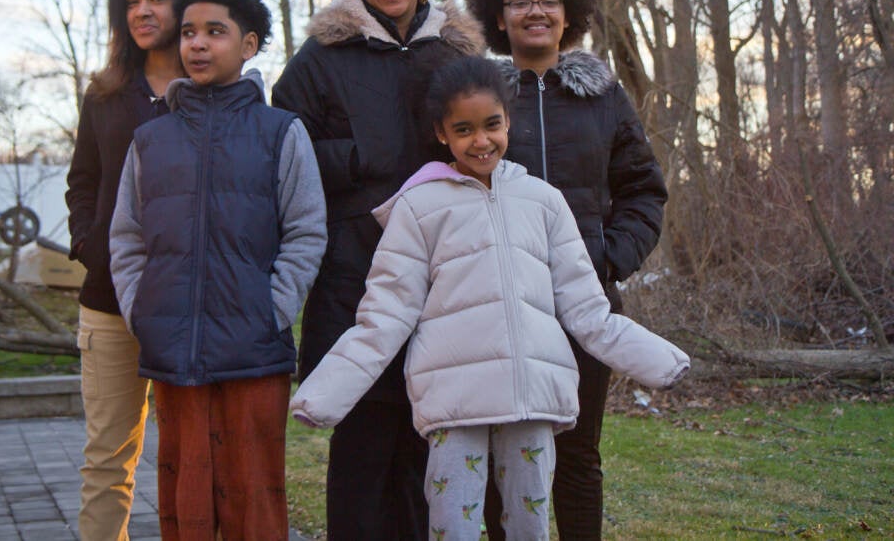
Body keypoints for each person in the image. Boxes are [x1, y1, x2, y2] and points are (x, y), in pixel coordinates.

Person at [289, 56, 689, 541]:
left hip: (532, 403)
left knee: (529, 526)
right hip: (455, 407)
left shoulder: (544, 202)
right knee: (452, 526)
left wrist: (659, 361)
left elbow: (587, 309)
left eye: (491, 125)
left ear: (507, 121)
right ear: (442, 133)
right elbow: (385, 316)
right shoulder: (418, 208)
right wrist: (324, 394)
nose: (481, 141)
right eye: (464, 129)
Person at [271, 0, 484, 540]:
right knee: (363, 447)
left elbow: (493, 143)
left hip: (445, 281)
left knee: (429, 444)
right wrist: (360, 156)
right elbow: (283, 148)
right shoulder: (322, 57)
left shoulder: (459, 54)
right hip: (354, 280)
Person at [108, 0, 327, 541]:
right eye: (188, 32)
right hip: (173, 352)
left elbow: (307, 231)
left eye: (215, 31)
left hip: (255, 353)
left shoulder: (281, 132)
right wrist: (141, 311)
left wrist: (272, 309)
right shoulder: (150, 139)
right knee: (186, 499)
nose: (197, 44)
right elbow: (127, 239)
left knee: (254, 499)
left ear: (248, 44)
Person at [467, 0, 670, 540]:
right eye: (520, 0)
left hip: (585, 310)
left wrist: (611, 259)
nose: (535, 11)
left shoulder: (604, 96)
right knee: (505, 463)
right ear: (499, 17)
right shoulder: (480, 98)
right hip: (500, 308)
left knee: (577, 458)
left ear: (568, 12)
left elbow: (643, 189)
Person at [65, 0, 195, 541]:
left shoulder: (212, 90)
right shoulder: (105, 94)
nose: (143, 10)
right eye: (132, 1)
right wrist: (90, 246)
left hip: (192, 304)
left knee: (193, 459)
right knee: (107, 460)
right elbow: (82, 181)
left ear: (184, 1)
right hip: (108, 305)